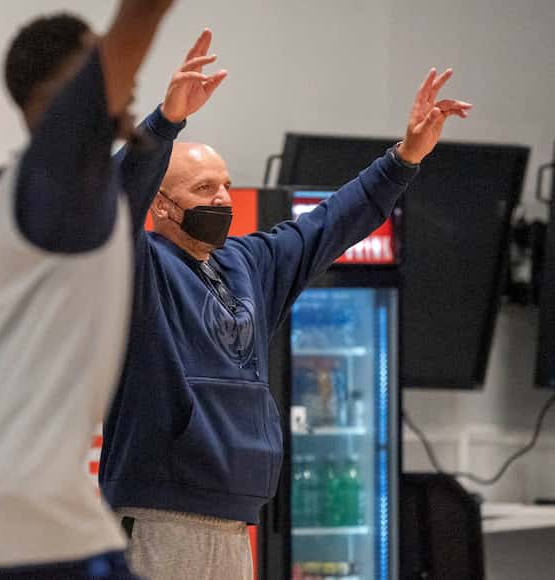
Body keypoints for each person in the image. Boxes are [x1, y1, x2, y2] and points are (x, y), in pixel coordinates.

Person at [0, 5, 225, 580]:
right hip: (2, 519)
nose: (128, 78)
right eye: (100, 64)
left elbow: (123, 173)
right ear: (61, 92)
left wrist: (166, 121)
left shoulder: (28, 190)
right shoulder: (50, 178)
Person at [98, 69, 472, 579]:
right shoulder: (137, 266)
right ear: (161, 205)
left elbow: (332, 222)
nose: (224, 200)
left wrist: (404, 158)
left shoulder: (246, 264)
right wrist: (165, 123)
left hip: (234, 525)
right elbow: (111, 208)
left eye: (226, 186)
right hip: (160, 519)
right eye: (205, 188)